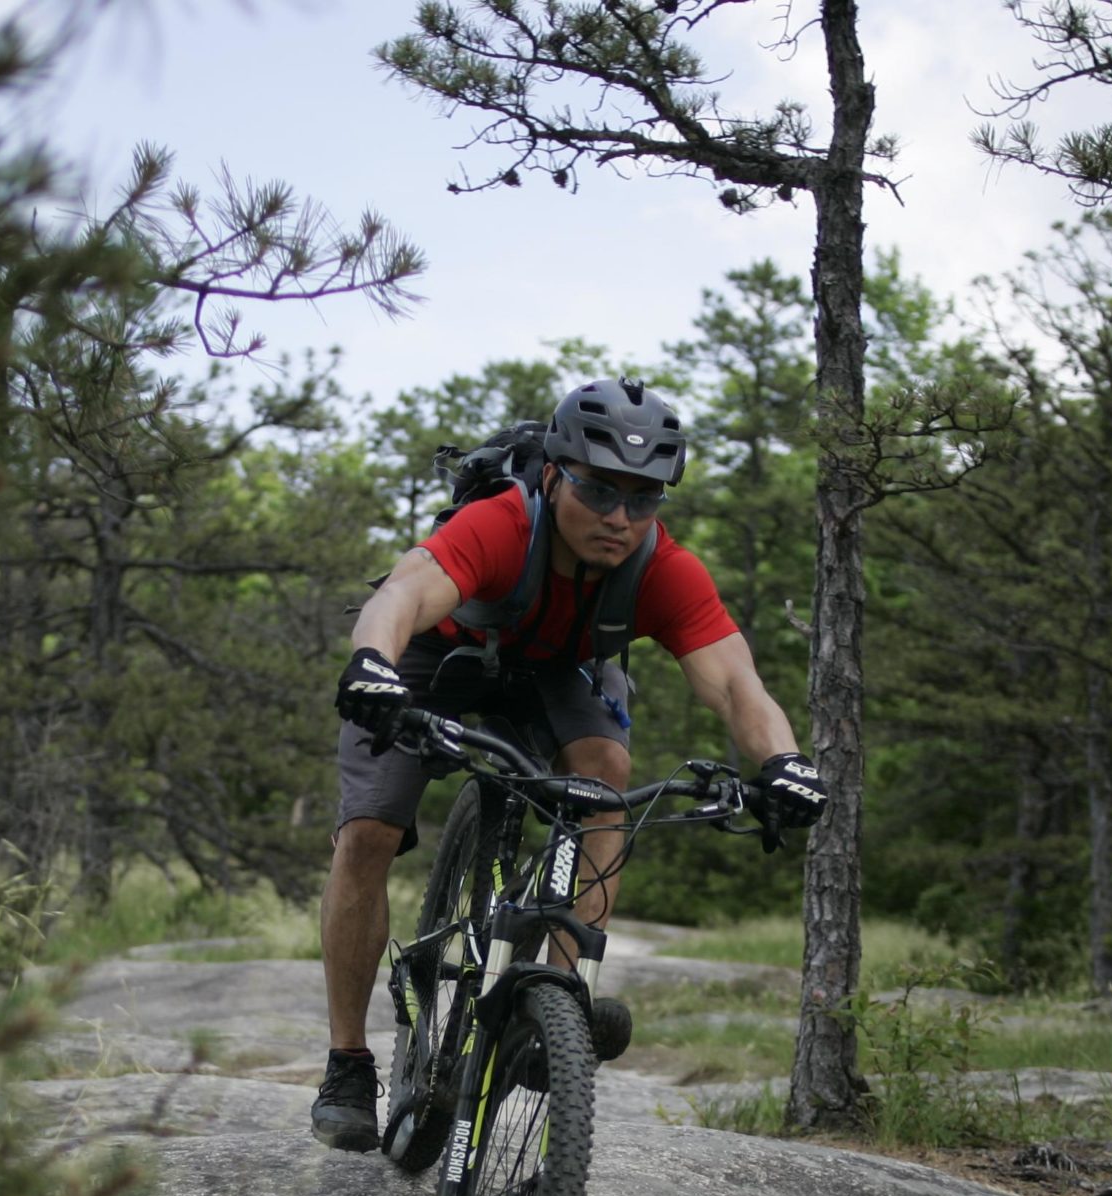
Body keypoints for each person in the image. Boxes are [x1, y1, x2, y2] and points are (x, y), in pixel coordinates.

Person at [313, 377, 826, 1148]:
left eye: (643, 499)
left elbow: (734, 682)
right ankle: (348, 1061)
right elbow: (403, 594)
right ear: (554, 476)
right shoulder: (499, 528)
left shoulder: (661, 568)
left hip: (556, 665)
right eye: (598, 490)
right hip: (438, 653)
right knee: (370, 834)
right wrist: (371, 667)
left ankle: (560, 997)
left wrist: (785, 762)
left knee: (602, 777)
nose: (620, 518)